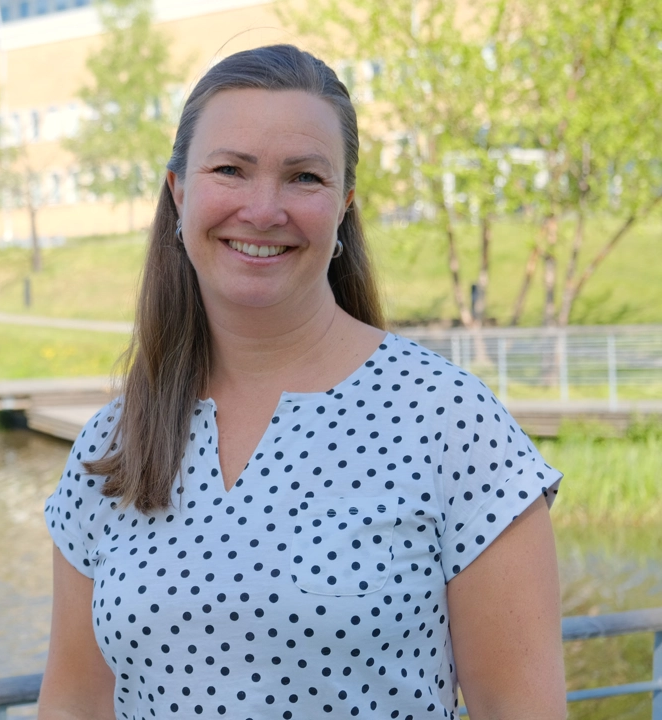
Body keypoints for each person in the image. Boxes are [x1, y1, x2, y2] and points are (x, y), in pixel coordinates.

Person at [38, 45, 565, 720]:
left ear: (343, 205)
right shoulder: (111, 443)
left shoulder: (448, 423)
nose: (263, 209)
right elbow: (74, 705)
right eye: (230, 169)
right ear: (178, 191)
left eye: (303, 178)